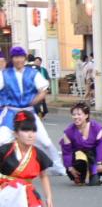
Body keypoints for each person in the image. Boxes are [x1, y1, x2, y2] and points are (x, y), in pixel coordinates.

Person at [0, 46, 65, 175]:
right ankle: (5, 169)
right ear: (12, 59)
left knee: (45, 142)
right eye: (15, 57)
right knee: (2, 140)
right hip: (11, 113)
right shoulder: (4, 74)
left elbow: (43, 89)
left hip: (29, 112)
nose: (18, 60)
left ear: (24, 58)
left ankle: (57, 166)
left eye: (20, 57)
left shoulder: (33, 73)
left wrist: (35, 100)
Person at [0, 110, 53, 207]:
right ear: (16, 134)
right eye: (25, 131)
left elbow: (43, 175)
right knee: (17, 185)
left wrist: (49, 197)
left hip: (25, 192)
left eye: (33, 131)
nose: (30, 135)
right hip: (4, 191)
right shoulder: (5, 150)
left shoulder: (37, 153)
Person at [61, 102, 102, 186]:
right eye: (74, 115)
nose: (76, 117)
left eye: (79, 114)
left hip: (96, 156)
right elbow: (67, 152)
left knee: (96, 180)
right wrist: (70, 168)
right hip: (80, 159)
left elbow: (100, 147)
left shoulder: (96, 127)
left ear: (86, 115)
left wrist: (99, 163)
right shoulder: (68, 132)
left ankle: (96, 174)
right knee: (79, 177)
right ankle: (84, 175)